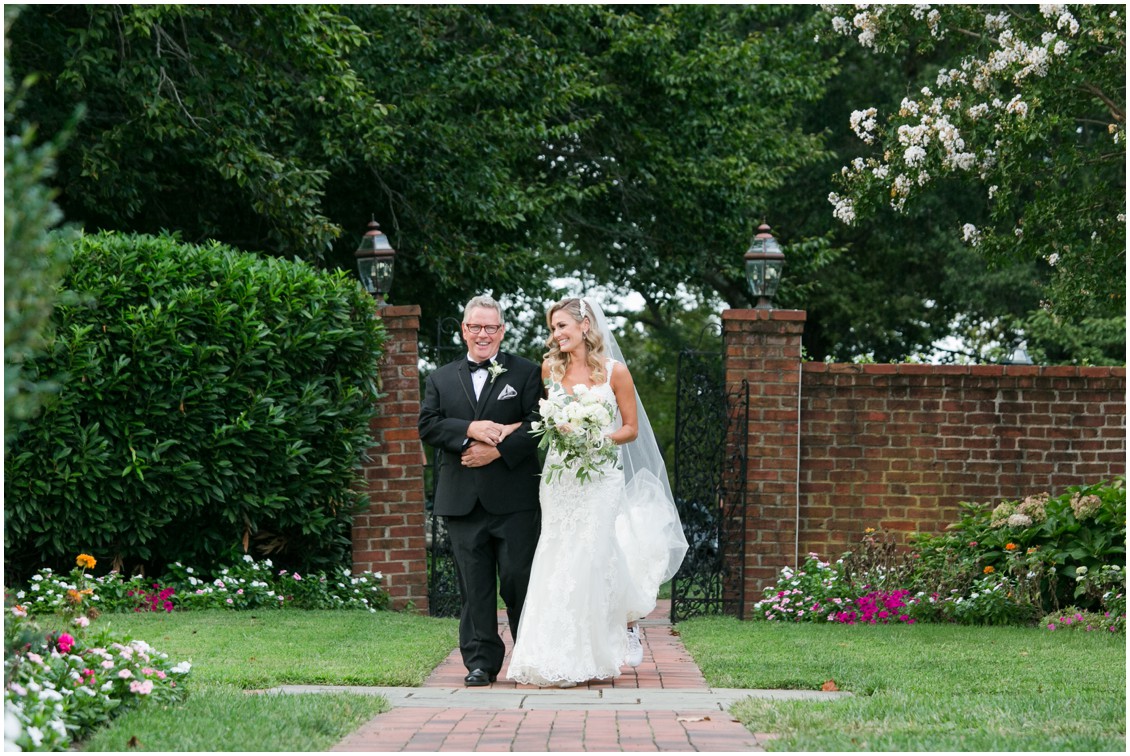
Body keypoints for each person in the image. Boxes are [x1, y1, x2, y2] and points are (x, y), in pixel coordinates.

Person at [506, 296, 688, 688]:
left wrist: (596, 436)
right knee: (557, 553)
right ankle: (551, 652)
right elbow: (542, 422)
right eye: (553, 328)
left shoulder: (614, 372)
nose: (556, 335)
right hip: (560, 476)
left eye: (562, 327)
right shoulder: (549, 370)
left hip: (601, 474)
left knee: (593, 551)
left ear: (584, 325)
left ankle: (614, 633)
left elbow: (630, 428)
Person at [418, 294, 543, 687]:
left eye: (491, 327)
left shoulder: (526, 373)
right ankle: (481, 662)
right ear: (464, 330)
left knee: (519, 579)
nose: (483, 334)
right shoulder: (439, 378)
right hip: (461, 501)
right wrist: (469, 431)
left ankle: (529, 656)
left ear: (502, 331)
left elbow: (538, 423)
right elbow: (429, 425)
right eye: (475, 327)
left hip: (514, 499)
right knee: (474, 586)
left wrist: (496, 451)